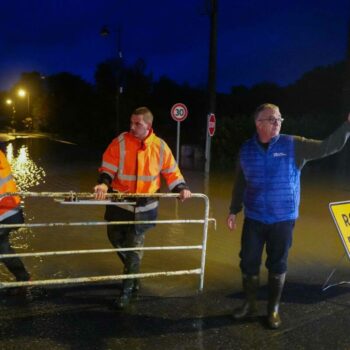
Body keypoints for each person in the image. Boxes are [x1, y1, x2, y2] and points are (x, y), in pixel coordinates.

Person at [226, 103, 350, 329]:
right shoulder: (246, 149)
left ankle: (273, 310)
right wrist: (234, 210)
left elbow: (327, 147)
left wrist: (347, 127)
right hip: (254, 217)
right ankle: (250, 305)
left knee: (277, 263)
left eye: (279, 119)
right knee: (248, 262)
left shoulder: (293, 145)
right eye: (272, 119)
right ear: (258, 123)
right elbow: (240, 182)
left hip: (283, 218)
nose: (278, 123)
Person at [94, 106, 191, 309]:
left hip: (145, 209)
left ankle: (127, 292)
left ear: (148, 125)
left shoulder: (160, 147)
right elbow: (108, 167)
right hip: (119, 206)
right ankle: (135, 274)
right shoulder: (120, 142)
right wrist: (103, 183)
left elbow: (172, 173)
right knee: (114, 238)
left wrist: (181, 188)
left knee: (134, 251)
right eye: (131, 122)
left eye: (137, 123)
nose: (132, 126)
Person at [0, 137, 31, 291]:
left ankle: (23, 278)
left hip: (4, 211)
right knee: (3, 248)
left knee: (3, 247)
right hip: (9, 211)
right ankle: (23, 278)